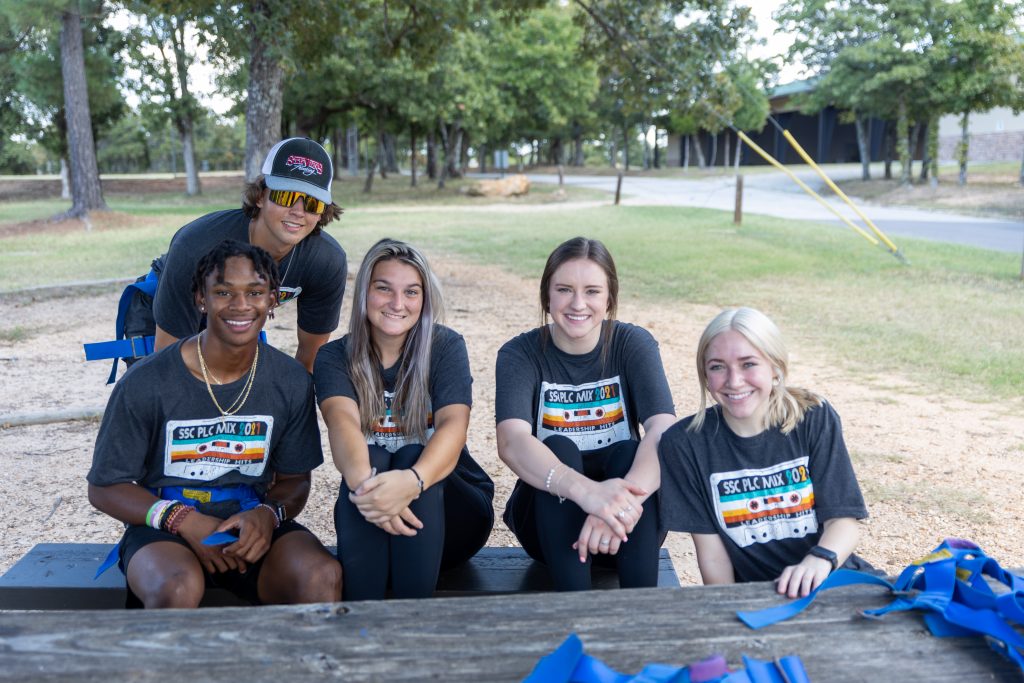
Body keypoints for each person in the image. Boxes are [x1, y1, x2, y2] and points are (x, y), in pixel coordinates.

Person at [87, 240, 342, 608]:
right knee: (176, 587)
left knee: (321, 575)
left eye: (255, 292)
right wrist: (183, 520)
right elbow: (105, 487)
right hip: (165, 527)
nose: (240, 305)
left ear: (272, 300)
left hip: (251, 524)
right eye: (223, 292)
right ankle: (168, 666)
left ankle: (303, 665)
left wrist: (267, 515)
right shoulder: (147, 382)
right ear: (201, 299)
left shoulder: (289, 380)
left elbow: (295, 480)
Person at [314, 238, 494, 600]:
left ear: (424, 299)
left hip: (454, 513)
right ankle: (365, 621)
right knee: (372, 458)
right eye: (384, 289)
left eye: (411, 292)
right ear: (365, 291)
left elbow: (453, 426)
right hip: (373, 507)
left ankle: (414, 620)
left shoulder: (445, 347)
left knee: (412, 454)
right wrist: (375, 495)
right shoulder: (335, 357)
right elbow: (342, 423)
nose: (398, 304)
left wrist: (412, 482)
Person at [495, 237, 676, 591]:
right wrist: (587, 494)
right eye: (564, 289)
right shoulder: (520, 353)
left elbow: (663, 429)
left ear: (610, 299)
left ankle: (643, 609)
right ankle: (574, 608)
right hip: (549, 527)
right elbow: (511, 441)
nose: (578, 303)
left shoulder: (631, 344)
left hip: (628, 525)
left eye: (592, 291)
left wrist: (616, 505)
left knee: (628, 452)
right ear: (547, 296)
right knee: (557, 446)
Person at [659, 307, 870, 599]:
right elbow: (712, 554)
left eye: (748, 364)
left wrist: (817, 561)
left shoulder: (813, 417)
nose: (734, 381)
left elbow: (844, 522)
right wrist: (730, 609)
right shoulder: (684, 444)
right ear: (705, 375)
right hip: (761, 599)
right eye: (718, 366)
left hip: (834, 582)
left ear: (775, 367)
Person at [153, 137, 347, 372]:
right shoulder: (196, 245)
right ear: (260, 196)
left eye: (312, 203)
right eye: (285, 196)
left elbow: (309, 359)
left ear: (322, 212)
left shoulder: (326, 261)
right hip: (167, 306)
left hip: (235, 317)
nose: (298, 211)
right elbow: (167, 359)